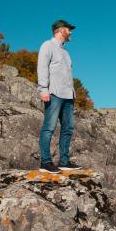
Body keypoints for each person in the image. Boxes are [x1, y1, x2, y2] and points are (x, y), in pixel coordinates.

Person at [37, 19, 83, 173]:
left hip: (68, 95)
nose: (70, 33)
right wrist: (43, 89)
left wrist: (73, 93)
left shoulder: (66, 52)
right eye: (69, 30)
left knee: (68, 128)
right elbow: (42, 67)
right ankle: (45, 162)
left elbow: (67, 75)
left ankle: (64, 161)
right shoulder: (47, 46)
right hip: (54, 94)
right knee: (49, 127)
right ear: (61, 30)